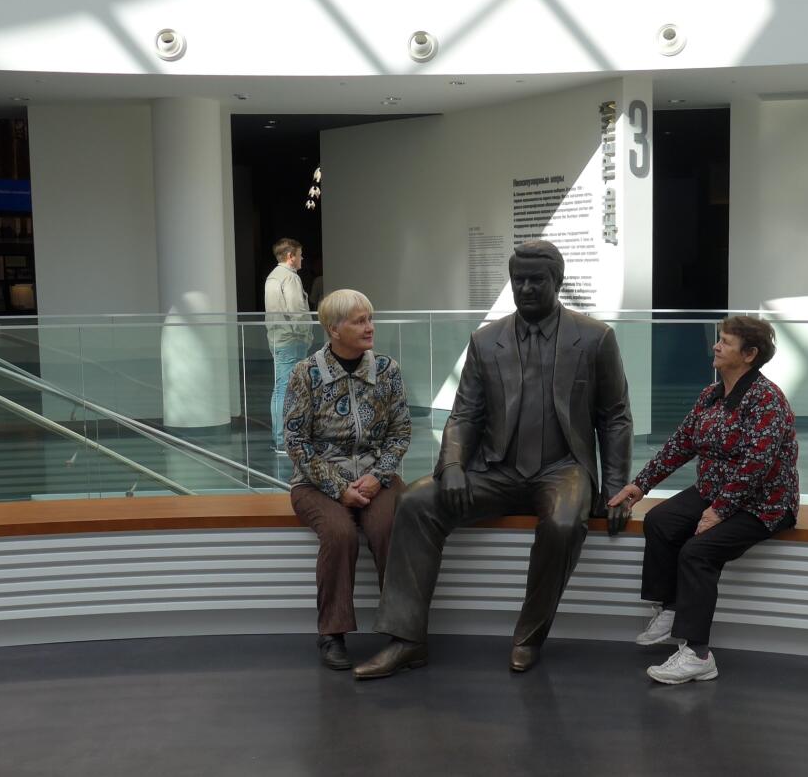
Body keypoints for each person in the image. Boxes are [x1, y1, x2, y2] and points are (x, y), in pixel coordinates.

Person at [354, 239, 633, 679]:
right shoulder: (486, 341)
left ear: (557, 281)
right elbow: (465, 414)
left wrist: (616, 488)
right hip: (495, 469)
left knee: (564, 524)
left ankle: (529, 636)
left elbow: (614, 417)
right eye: (518, 280)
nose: (525, 288)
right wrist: (452, 465)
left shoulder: (595, 338)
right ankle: (406, 639)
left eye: (536, 280)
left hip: (563, 468)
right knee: (417, 501)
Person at [608, 315, 799, 685]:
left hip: (764, 503)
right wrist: (640, 486)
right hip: (714, 490)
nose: (716, 346)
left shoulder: (768, 401)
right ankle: (671, 607)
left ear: (749, 354)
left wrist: (719, 511)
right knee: (660, 521)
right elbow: (680, 444)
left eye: (725, 342)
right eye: (719, 339)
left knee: (697, 552)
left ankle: (698, 655)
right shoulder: (711, 395)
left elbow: (756, 466)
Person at [283, 289, 412, 670]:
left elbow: (400, 433)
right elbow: (296, 441)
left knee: (391, 528)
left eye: (370, 319)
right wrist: (339, 488)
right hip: (315, 481)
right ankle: (332, 633)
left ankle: (403, 630)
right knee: (339, 533)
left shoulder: (387, 371)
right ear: (333, 329)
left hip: (377, 476)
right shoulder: (306, 374)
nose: (370, 327)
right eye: (359, 322)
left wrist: (377, 476)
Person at [265, 238, 313, 453]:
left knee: (281, 388)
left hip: (277, 338)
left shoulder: (272, 276)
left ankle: (280, 438)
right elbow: (296, 310)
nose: (302, 258)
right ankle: (283, 440)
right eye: (300, 255)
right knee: (288, 389)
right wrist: (306, 334)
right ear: (290, 256)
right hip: (292, 339)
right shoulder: (290, 277)